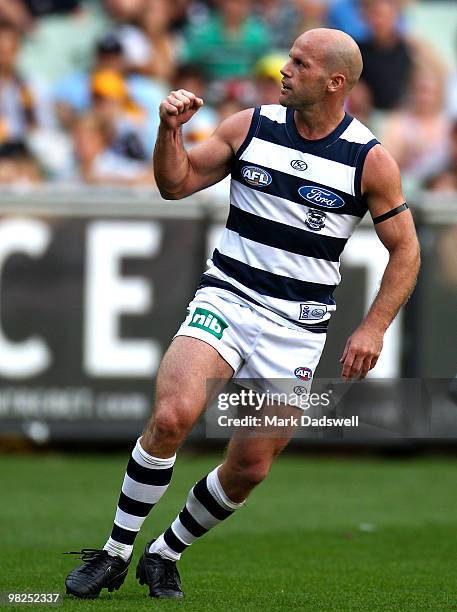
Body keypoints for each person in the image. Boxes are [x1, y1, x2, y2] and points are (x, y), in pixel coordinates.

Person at [64, 27, 420, 600]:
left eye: (299, 63)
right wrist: (169, 132)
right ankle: (112, 553)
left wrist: (373, 326)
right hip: (227, 297)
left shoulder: (368, 160)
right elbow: (175, 184)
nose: (284, 69)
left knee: (250, 466)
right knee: (174, 414)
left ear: (335, 82)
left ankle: (164, 553)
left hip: (297, 328)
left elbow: (406, 249)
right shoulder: (249, 126)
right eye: (288, 59)